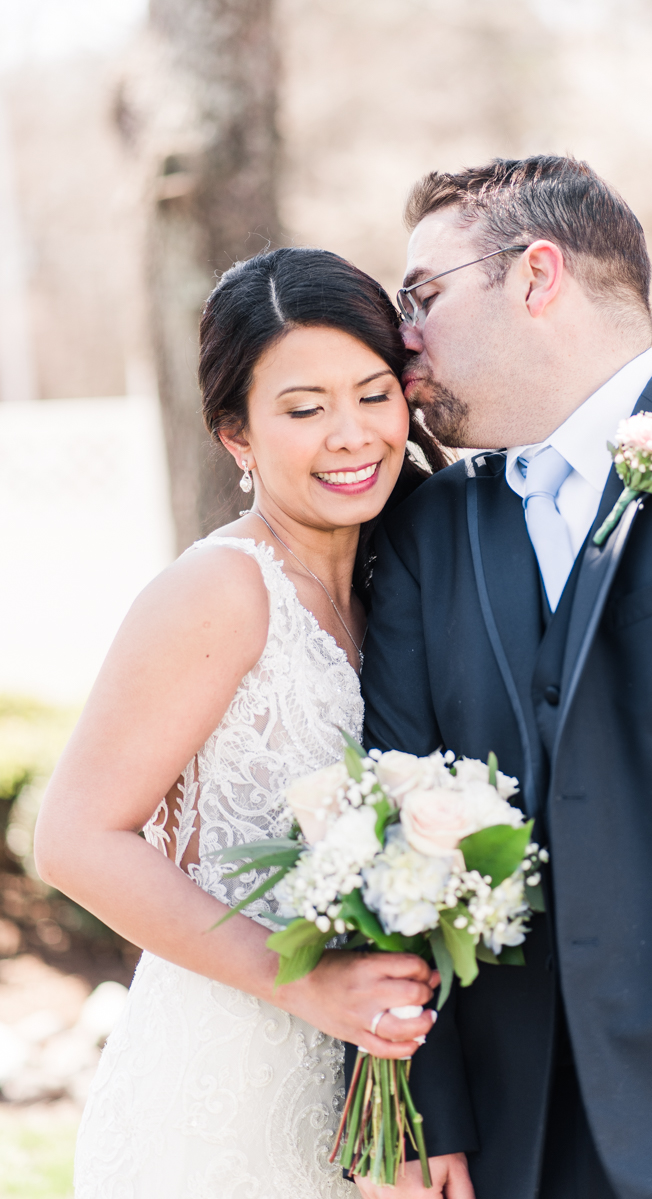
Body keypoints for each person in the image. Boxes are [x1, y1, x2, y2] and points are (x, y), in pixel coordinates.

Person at [359, 156, 652, 1199]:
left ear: (536, 275)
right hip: (505, 1140)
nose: (401, 334)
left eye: (420, 295)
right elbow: (388, 814)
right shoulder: (427, 528)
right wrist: (419, 1110)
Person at [34, 246, 447, 1199]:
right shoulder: (219, 590)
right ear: (237, 437)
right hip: (226, 1078)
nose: (352, 435)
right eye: (304, 409)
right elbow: (76, 836)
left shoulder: (408, 579)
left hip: (372, 1085)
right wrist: (299, 981)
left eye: (373, 393)